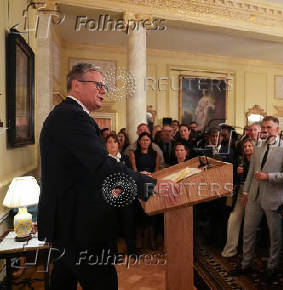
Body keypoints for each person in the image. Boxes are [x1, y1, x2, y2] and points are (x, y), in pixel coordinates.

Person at [38, 63, 178, 290]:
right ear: (76, 84)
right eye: (98, 85)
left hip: (67, 220)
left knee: (62, 281)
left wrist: (133, 176)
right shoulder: (73, 117)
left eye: (104, 86)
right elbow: (102, 165)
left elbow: (87, 168)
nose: (104, 90)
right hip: (79, 224)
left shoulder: (67, 114)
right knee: (102, 282)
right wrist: (150, 183)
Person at [229, 116, 283, 281]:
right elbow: (251, 172)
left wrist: (268, 176)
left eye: (269, 127)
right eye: (264, 127)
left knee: (275, 235)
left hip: (274, 197)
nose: (266, 130)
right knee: (248, 232)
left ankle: (272, 267)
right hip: (254, 196)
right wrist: (245, 193)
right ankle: (245, 264)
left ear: (277, 129)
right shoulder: (258, 147)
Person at [221, 139, 255, 258]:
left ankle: (248, 252)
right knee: (233, 219)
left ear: (254, 147)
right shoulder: (240, 161)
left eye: (250, 146)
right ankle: (231, 249)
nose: (247, 148)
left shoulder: (258, 161)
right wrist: (236, 172)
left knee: (249, 223)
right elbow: (232, 179)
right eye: (245, 146)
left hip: (254, 194)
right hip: (240, 193)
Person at [130, 132, 161, 250]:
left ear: (150, 142)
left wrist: (150, 176)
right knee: (139, 213)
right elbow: (134, 170)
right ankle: (139, 240)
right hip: (138, 183)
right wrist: (141, 175)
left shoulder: (156, 154)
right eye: (142, 140)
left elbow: (157, 170)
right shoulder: (133, 153)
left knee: (152, 213)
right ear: (139, 141)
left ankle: (152, 239)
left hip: (151, 183)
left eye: (147, 140)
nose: (144, 142)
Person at [105, 134, 135, 255]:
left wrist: (122, 188)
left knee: (128, 223)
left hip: (125, 196)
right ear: (105, 145)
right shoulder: (103, 160)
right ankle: (113, 254)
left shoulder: (125, 158)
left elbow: (130, 176)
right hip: (110, 197)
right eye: (109, 142)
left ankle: (132, 250)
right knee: (112, 226)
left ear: (118, 144)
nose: (112, 144)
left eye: (115, 142)